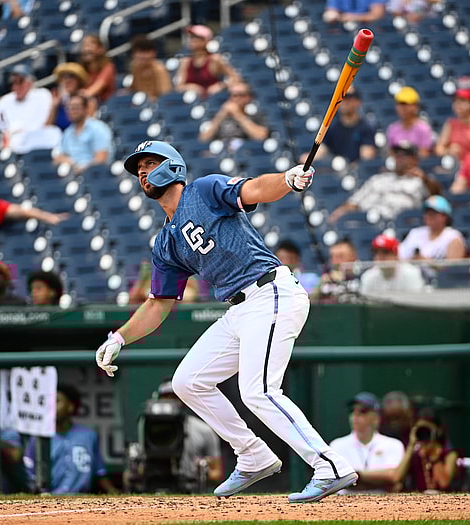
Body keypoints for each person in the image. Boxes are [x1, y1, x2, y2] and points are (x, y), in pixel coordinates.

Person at [94, 140, 358, 503]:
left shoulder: (202, 191)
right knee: (188, 381)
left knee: (259, 391)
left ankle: (330, 464)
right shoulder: (166, 241)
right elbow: (158, 305)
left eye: (150, 162)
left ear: (172, 167)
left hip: (270, 291)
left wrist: (288, 179)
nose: (142, 171)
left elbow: (253, 189)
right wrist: (119, 337)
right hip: (238, 309)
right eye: (138, 167)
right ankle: (252, 454)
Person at [22, 384, 118, 494]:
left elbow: (99, 472)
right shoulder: (39, 437)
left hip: (81, 498)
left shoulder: (88, 435)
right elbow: (28, 473)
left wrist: (114, 492)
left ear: (70, 407)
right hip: (49, 499)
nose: (51, 407)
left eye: (57, 402)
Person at [328, 140, 441, 224]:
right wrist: (341, 211)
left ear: (415, 159)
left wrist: (425, 179)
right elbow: (354, 202)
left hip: (399, 224)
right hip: (367, 222)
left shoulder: (420, 182)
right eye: (397, 155)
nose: (400, 158)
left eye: (405, 155)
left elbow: (438, 198)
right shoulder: (378, 179)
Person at [328, 392, 404, 494]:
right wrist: (378, 481)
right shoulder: (336, 445)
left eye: (363, 411)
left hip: (383, 506)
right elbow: (336, 481)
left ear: (376, 418)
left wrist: (355, 476)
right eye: (352, 411)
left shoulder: (394, 445)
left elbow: (392, 476)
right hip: (345, 506)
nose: (355, 415)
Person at [155, 380, 223, 490]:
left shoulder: (204, 430)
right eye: (166, 397)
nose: (171, 402)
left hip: (192, 488)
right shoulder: (149, 428)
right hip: (156, 488)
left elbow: (217, 472)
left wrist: (202, 470)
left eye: (175, 397)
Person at [0, 64, 62, 155]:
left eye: (20, 81)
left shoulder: (42, 95)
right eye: (14, 82)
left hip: (34, 140)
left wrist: (21, 131)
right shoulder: (6, 100)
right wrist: (6, 133)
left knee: (54, 133)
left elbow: (44, 123)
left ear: (30, 82)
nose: (16, 86)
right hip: (9, 142)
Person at [299, 87, 376, 165]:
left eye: (348, 99)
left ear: (357, 102)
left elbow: (367, 155)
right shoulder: (333, 126)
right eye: (342, 99)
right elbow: (323, 148)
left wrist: (355, 166)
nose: (344, 102)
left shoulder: (365, 127)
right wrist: (310, 158)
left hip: (357, 171)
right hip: (336, 169)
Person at [392, 407, 463, 492]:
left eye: (427, 430)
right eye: (420, 430)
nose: (424, 434)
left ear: (438, 431)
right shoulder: (414, 455)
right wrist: (411, 445)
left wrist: (434, 456)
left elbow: (444, 483)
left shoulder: (449, 454)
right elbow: (397, 477)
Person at [198, 81, 269, 153]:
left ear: (249, 97)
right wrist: (221, 115)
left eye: (241, 95)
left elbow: (261, 136)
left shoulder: (255, 115)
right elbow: (204, 139)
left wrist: (238, 115)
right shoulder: (219, 116)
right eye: (234, 95)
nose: (237, 99)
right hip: (221, 152)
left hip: (245, 153)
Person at [51, 94, 114, 174]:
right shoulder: (68, 133)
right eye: (69, 108)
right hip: (72, 175)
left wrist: (82, 169)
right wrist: (71, 163)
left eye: (75, 107)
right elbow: (58, 158)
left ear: (85, 109)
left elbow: (101, 159)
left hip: (96, 175)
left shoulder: (98, 128)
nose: (72, 111)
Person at [174, 24, 240, 98]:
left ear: (205, 40)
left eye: (196, 37)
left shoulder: (215, 59)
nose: (192, 40)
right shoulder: (185, 62)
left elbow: (235, 78)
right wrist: (191, 87)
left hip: (212, 99)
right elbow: (179, 86)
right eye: (191, 37)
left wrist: (221, 85)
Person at [398, 195, 466, 261]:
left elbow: (454, 268)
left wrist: (428, 263)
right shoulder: (415, 233)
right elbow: (399, 257)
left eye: (434, 213)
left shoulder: (453, 236)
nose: (429, 216)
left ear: (445, 216)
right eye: (427, 212)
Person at [359, 234, 425, 295]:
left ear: (396, 255)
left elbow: (416, 302)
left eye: (385, 252)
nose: (380, 257)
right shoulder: (368, 277)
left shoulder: (411, 273)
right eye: (376, 252)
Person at [434, 88, 470, 163]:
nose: (458, 104)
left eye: (462, 101)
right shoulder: (451, 124)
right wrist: (448, 151)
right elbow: (439, 148)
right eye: (455, 101)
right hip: (455, 166)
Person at [385, 87, 434, 158]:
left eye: (406, 104)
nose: (403, 108)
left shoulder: (423, 129)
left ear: (415, 106)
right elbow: (390, 153)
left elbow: (424, 154)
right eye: (399, 104)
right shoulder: (392, 129)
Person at [129, 259, 202, 304]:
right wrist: (142, 279)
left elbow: (189, 295)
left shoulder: (183, 274)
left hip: (176, 318)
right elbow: (132, 299)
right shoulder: (149, 277)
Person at [309, 238, 358, 303]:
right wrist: (320, 285)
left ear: (353, 257)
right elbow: (309, 302)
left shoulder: (363, 277)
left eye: (341, 256)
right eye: (333, 257)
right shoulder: (326, 281)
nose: (336, 261)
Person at [127, 34, 173, 102]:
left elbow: (165, 94)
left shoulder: (159, 69)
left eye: (145, 52)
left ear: (153, 53)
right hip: (140, 104)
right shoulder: (135, 67)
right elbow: (133, 89)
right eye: (138, 52)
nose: (141, 56)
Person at [48, 62, 90, 131]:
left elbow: (88, 126)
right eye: (64, 77)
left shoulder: (87, 99)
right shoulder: (58, 101)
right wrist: (54, 105)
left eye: (71, 76)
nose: (67, 80)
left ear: (79, 80)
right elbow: (48, 127)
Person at [78, 34, 116, 103]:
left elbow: (92, 91)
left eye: (90, 45)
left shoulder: (108, 67)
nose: (86, 49)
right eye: (84, 46)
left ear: (100, 49)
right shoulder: (81, 69)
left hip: (104, 105)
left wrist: (79, 95)